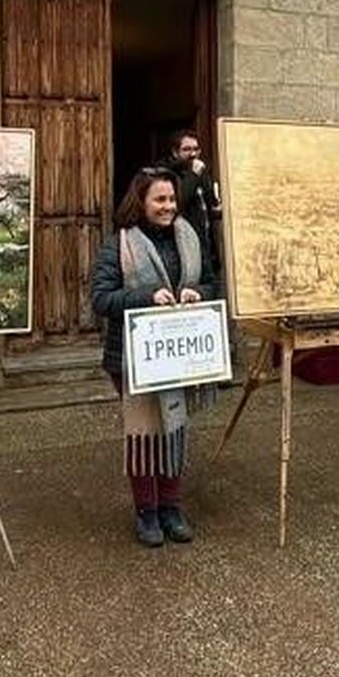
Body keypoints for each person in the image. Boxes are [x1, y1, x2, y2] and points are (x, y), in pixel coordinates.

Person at [90, 168, 219, 546]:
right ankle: (147, 512)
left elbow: (212, 282)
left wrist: (197, 290)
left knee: (174, 428)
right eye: (160, 200)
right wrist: (146, 296)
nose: (168, 207)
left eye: (172, 199)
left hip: (176, 353)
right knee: (146, 432)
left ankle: (171, 507)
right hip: (132, 358)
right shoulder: (120, 245)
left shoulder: (190, 238)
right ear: (141, 203)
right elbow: (100, 298)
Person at [161, 129, 222, 272]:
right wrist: (193, 175)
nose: (193, 154)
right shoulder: (167, 174)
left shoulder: (201, 172)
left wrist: (217, 210)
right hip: (184, 248)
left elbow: (210, 205)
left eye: (196, 149)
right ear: (175, 152)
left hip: (206, 247)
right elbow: (178, 203)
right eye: (187, 149)